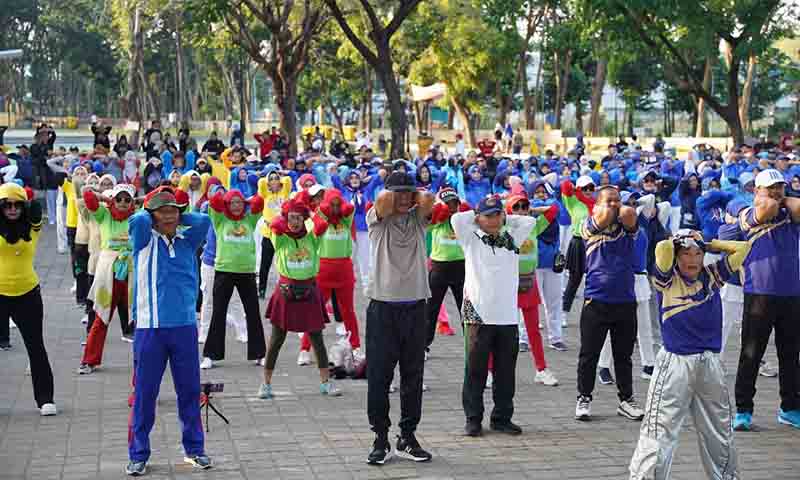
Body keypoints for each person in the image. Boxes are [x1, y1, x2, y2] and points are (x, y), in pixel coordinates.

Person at [628, 230, 747, 480]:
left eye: (697, 254)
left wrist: (708, 243)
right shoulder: (665, 278)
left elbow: (743, 248)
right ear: (676, 256)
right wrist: (677, 240)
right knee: (658, 432)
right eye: (685, 254)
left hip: (710, 364)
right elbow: (661, 248)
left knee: (720, 432)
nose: (692, 259)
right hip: (675, 365)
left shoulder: (712, 276)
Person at [127, 186, 212, 475]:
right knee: (145, 394)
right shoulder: (143, 238)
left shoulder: (188, 240)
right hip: (150, 329)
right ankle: (138, 454)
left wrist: (177, 214)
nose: (169, 215)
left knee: (189, 392)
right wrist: (152, 211)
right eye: (162, 211)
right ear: (151, 214)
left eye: (173, 210)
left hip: (185, 327)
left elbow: (204, 221)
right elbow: (137, 220)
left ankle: (195, 450)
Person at [450, 194, 537, 437]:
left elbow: (527, 222)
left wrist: (505, 214)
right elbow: (457, 219)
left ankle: (501, 417)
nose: (494, 219)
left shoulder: (511, 238)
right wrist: (477, 216)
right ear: (479, 218)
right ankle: (473, 418)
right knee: (475, 370)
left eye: (497, 214)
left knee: (505, 371)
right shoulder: (470, 238)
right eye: (489, 215)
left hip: (507, 314)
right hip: (476, 313)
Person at [365, 171, 434, 465]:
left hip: (416, 306)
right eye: (399, 193)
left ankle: (407, 436)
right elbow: (382, 201)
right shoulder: (377, 219)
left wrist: (413, 196)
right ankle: (380, 436)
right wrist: (396, 197)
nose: (405, 198)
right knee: (379, 378)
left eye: (409, 193)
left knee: (413, 377)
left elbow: (429, 200)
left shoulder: (419, 219)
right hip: (383, 308)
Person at [733, 169, 800, 431]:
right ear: (756, 190)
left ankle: (790, 407)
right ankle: (743, 409)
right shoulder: (748, 211)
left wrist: (784, 198)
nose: (776, 191)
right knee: (751, 353)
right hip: (759, 291)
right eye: (770, 187)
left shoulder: (789, 210)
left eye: (780, 186)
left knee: (790, 354)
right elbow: (768, 207)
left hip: (792, 293)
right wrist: (776, 199)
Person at [256, 197, 342, 399]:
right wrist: (285, 213)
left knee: (317, 340)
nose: (295, 222)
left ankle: (325, 383)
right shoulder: (281, 237)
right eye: (291, 218)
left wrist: (309, 212)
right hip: (286, 292)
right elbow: (276, 224)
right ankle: (265, 385)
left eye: (298, 218)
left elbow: (321, 224)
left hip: (309, 291)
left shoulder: (311, 237)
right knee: (276, 340)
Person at [574, 185, 644, 422]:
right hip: (596, 300)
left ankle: (626, 400)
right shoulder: (588, 223)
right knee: (588, 355)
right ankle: (584, 397)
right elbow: (603, 217)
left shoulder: (627, 226)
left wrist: (618, 205)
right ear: (597, 205)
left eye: (618, 200)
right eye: (609, 200)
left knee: (623, 356)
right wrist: (608, 207)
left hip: (625, 300)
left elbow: (629, 214)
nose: (615, 204)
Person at [0, 183, 56, 416]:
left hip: (28, 294)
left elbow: (35, 208)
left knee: (36, 347)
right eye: (6, 205)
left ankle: (45, 399)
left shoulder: (32, 226)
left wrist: (26, 200)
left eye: (17, 205)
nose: (12, 209)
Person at [200, 188, 266, 369]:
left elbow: (259, 201)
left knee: (253, 313)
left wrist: (244, 199)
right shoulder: (220, 220)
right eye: (232, 203)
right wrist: (226, 197)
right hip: (224, 271)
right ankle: (210, 356)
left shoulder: (249, 220)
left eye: (239, 203)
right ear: (227, 205)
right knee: (218, 313)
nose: (236, 206)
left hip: (246, 272)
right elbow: (213, 201)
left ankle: (259, 354)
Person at [77, 184, 137, 374]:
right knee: (101, 318)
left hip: (132, 273)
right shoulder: (104, 215)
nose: (122, 203)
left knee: (140, 320)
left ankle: (146, 361)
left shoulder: (139, 217)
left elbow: (166, 196)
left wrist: (140, 201)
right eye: (118, 199)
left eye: (127, 199)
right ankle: (89, 360)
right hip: (107, 274)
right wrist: (106, 198)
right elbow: (87, 195)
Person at [297, 189, 362, 362]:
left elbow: (350, 208)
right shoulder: (319, 218)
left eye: (337, 205)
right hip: (323, 269)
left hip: (344, 269)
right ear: (325, 204)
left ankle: (356, 347)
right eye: (331, 205)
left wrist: (339, 206)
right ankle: (304, 349)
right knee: (316, 310)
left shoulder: (345, 219)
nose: (334, 208)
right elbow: (313, 224)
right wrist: (322, 210)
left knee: (348, 310)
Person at [504, 192, 560, 387]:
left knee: (533, 330)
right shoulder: (503, 228)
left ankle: (541, 369)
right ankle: (491, 371)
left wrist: (532, 210)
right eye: (516, 207)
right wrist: (507, 212)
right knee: (500, 331)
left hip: (529, 282)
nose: (521, 210)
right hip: (506, 285)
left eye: (524, 206)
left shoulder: (534, 226)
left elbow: (554, 210)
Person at [425, 188, 469, 354]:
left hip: (461, 268)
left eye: (454, 204)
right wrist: (440, 210)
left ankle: (471, 345)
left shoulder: (462, 221)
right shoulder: (438, 220)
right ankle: (423, 346)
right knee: (431, 310)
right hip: (439, 268)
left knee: (465, 309)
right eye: (448, 204)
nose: (451, 207)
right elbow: (428, 223)